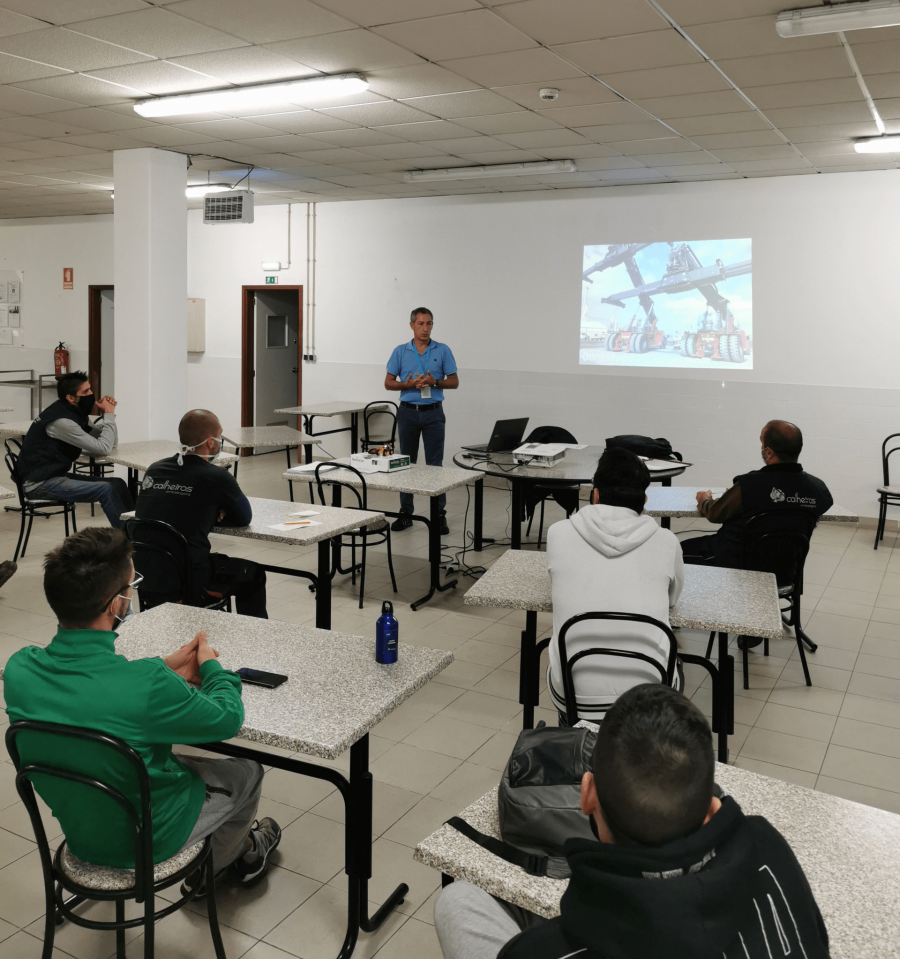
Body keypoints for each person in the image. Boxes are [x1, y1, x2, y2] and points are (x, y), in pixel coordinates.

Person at [433, 684, 830, 959]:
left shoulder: (542, 952)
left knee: (457, 899)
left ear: (587, 795)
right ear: (711, 809)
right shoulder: (769, 851)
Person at [3, 527, 281, 892]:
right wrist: (212, 667)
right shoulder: (147, 685)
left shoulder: (19, 670)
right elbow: (227, 719)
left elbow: (95, 696)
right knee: (248, 772)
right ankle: (227, 862)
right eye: (131, 585)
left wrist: (163, 667)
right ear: (117, 604)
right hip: (150, 837)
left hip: (82, 833)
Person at [545, 447, 684, 724]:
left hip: (576, 696)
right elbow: (672, 600)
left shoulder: (557, 533)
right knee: (674, 661)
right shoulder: (667, 541)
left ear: (595, 494)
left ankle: (574, 744)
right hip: (647, 700)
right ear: (644, 499)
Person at [133, 409, 267, 617]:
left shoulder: (154, 469)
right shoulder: (217, 477)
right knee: (253, 574)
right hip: (190, 583)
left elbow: (170, 508)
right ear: (211, 442)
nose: (220, 442)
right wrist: (216, 512)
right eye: (220, 436)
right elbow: (244, 517)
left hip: (147, 578)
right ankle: (253, 643)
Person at [682, 419, 833, 569]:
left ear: (768, 452)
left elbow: (715, 515)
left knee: (673, 551)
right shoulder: (818, 488)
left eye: (762, 442)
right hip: (784, 569)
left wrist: (705, 500)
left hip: (735, 564)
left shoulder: (748, 484)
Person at [15, 370, 134, 528]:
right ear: (71, 398)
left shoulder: (74, 412)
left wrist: (109, 417)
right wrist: (109, 414)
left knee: (117, 483)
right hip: (39, 484)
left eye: (90, 389)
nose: (91, 394)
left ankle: (139, 530)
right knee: (105, 490)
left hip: (54, 475)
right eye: (85, 391)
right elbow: (104, 448)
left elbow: (110, 443)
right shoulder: (62, 422)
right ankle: (130, 541)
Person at [384, 307, 459, 534]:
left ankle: (438, 515)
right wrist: (408, 384)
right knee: (405, 463)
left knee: (435, 465)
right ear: (412, 325)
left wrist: (434, 382)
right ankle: (406, 513)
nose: (425, 328)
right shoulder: (400, 351)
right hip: (408, 412)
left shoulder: (442, 350)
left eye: (428, 324)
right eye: (420, 324)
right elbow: (388, 382)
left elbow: (454, 381)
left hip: (434, 413)